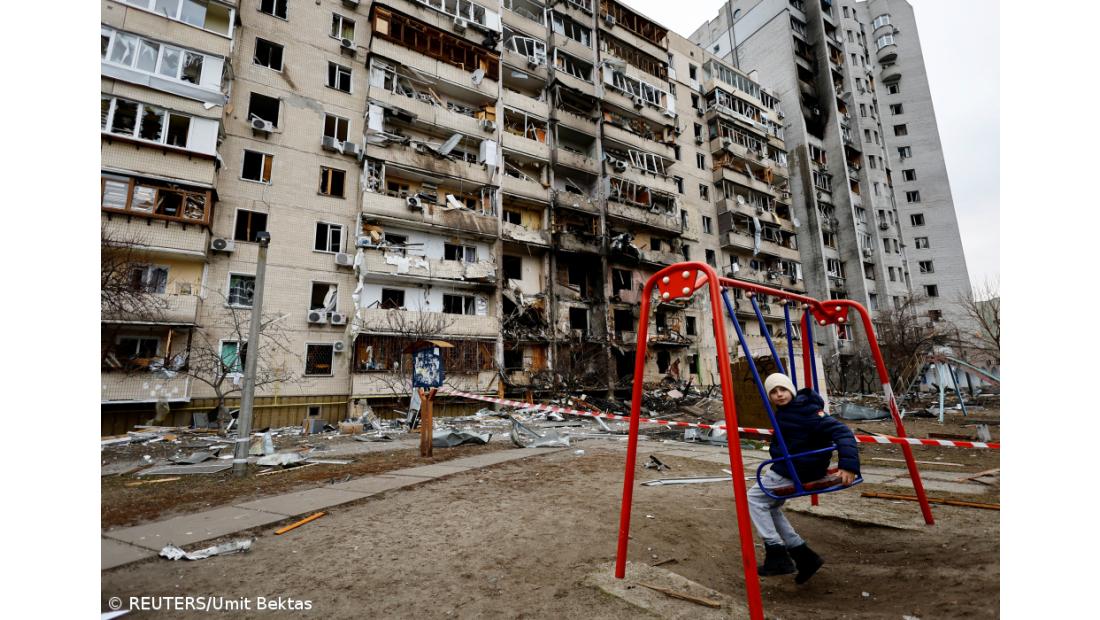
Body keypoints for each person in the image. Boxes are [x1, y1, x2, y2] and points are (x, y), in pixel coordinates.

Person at [748, 373, 860, 584]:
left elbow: (843, 432)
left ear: (791, 389)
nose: (779, 395)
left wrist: (848, 465)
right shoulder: (789, 411)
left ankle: (777, 554)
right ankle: (804, 556)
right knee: (770, 506)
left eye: (782, 389)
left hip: (797, 469)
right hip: (795, 466)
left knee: (753, 498)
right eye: (773, 392)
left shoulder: (807, 412)